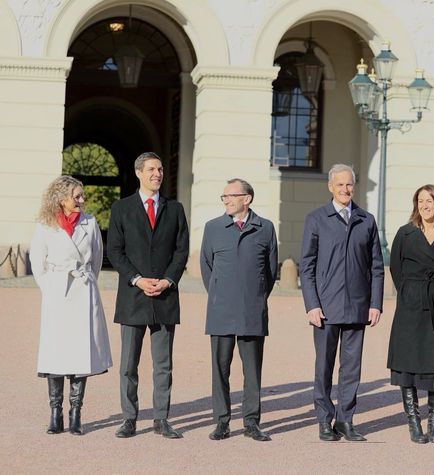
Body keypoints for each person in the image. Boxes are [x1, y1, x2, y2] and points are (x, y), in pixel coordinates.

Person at [107, 152, 189, 439]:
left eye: (161, 168)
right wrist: (138, 279)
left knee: (163, 364)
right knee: (129, 364)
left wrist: (167, 280)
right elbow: (114, 251)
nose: (158, 173)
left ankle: (161, 419)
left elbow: (181, 250)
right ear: (139, 172)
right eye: (152, 169)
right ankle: (129, 418)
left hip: (165, 297)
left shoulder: (175, 209)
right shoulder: (121, 208)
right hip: (133, 297)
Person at [300, 163, 384, 442]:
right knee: (323, 367)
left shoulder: (366, 220)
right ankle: (324, 420)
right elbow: (307, 266)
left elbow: (376, 267)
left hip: (358, 306)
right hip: (325, 308)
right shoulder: (316, 219)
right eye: (340, 185)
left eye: (349, 184)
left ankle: (345, 420)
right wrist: (311, 304)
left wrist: (375, 303)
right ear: (330, 187)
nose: (345, 189)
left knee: (352, 369)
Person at [29, 176, 113, 435]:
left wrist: (86, 285)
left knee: (80, 352)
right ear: (61, 198)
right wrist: (51, 287)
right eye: (77, 196)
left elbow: (97, 259)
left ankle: (76, 412)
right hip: (56, 292)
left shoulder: (90, 222)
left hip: (82, 291)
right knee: (55, 352)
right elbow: (36, 261)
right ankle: (55, 412)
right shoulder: (45, 225)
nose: (82, 200)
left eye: (82, 196)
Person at [200, 178, 278, 442]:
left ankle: (252, 422)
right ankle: (222, 422)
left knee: (252, 370)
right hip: (220, 310)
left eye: (231, 196)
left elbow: (270, 271)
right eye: (224, 197)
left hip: (252, 310)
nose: (227, 201)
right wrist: (221, 293)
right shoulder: (212, 228)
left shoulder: (265, 228)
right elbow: (206, 267)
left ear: (247, 198)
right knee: (220, 369)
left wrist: (254, 295)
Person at [388, 184, 434, 444]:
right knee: (408, 361)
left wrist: (431, 288)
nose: (425, 205)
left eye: (429, 201)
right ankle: (414, 422)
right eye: (420, 201)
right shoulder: (405, 233)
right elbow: (396, 268)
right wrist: (409, 292)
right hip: (410, 302)